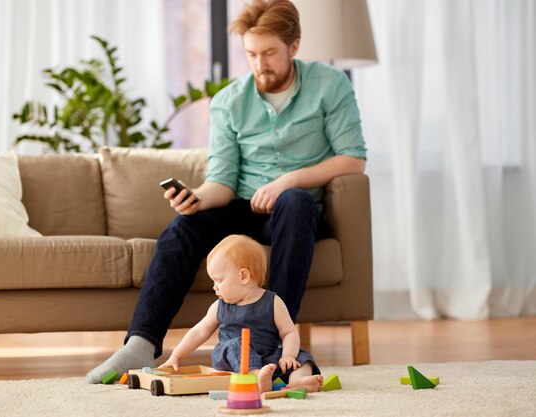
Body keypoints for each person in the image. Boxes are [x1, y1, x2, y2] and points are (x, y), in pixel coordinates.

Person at [86, 0, 366, 384]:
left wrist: (289, 180)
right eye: (251, 54)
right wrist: (197, 198)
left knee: (296, 201)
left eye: (269, 53)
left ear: (294, 47)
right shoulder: (230, 101)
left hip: (294, 211)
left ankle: (276, 348)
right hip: (242, 206)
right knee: (183, 227)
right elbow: (222, 181)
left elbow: (353, 160)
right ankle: (141, 342)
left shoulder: (329, 85)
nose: (259, 64)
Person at [158, 235, 323, 392]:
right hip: (232, 359)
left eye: (219, 280)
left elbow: (289, 332)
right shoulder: (219, 306)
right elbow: (198, 331)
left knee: (302, 356)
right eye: (213, 281)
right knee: (235, 343)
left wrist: (287, 356)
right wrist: (176, 355)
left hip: (268, 359)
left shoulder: (273, 302)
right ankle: (256, 378)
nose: (214, 286)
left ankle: (297, 380)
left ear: (243, 276)